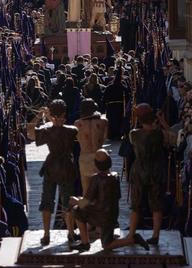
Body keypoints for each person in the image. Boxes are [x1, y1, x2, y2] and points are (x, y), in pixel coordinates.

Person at [70, 149, 148, 251]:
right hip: (112, 215)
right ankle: (132, 239)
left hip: (101, 215)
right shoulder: (115, 177)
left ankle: (85, 242)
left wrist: (75, 200)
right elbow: (116, 197)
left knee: (77, 209)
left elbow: (86, 202)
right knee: (107, 244)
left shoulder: (96, 179)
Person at [27, 100, 79, 245]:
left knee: (47, 201)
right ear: (64, 114)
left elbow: (30, 132)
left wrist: (40, 115)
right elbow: (63, 126)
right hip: (67, 167)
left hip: (51, 167)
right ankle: (70, 232)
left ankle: (46, 234)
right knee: (68, 201)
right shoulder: (71, 130)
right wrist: (53, 118)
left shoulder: (47, 131)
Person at [127, 103, 166, 245]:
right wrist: (161, 122)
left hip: (139, 171)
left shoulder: (134, 134)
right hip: (155, 171)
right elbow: (172, 139)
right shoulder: (159, 134)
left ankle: (131, 233)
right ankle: (155, 235)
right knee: (156, 204)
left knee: (135, 205)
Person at [74, 99, 108, 193]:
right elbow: (105, 137)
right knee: (103, 192)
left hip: (84, 158)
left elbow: (77, 139)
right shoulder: (103, 122)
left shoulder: (77, 124)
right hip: (99, 157)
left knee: (86, 192)